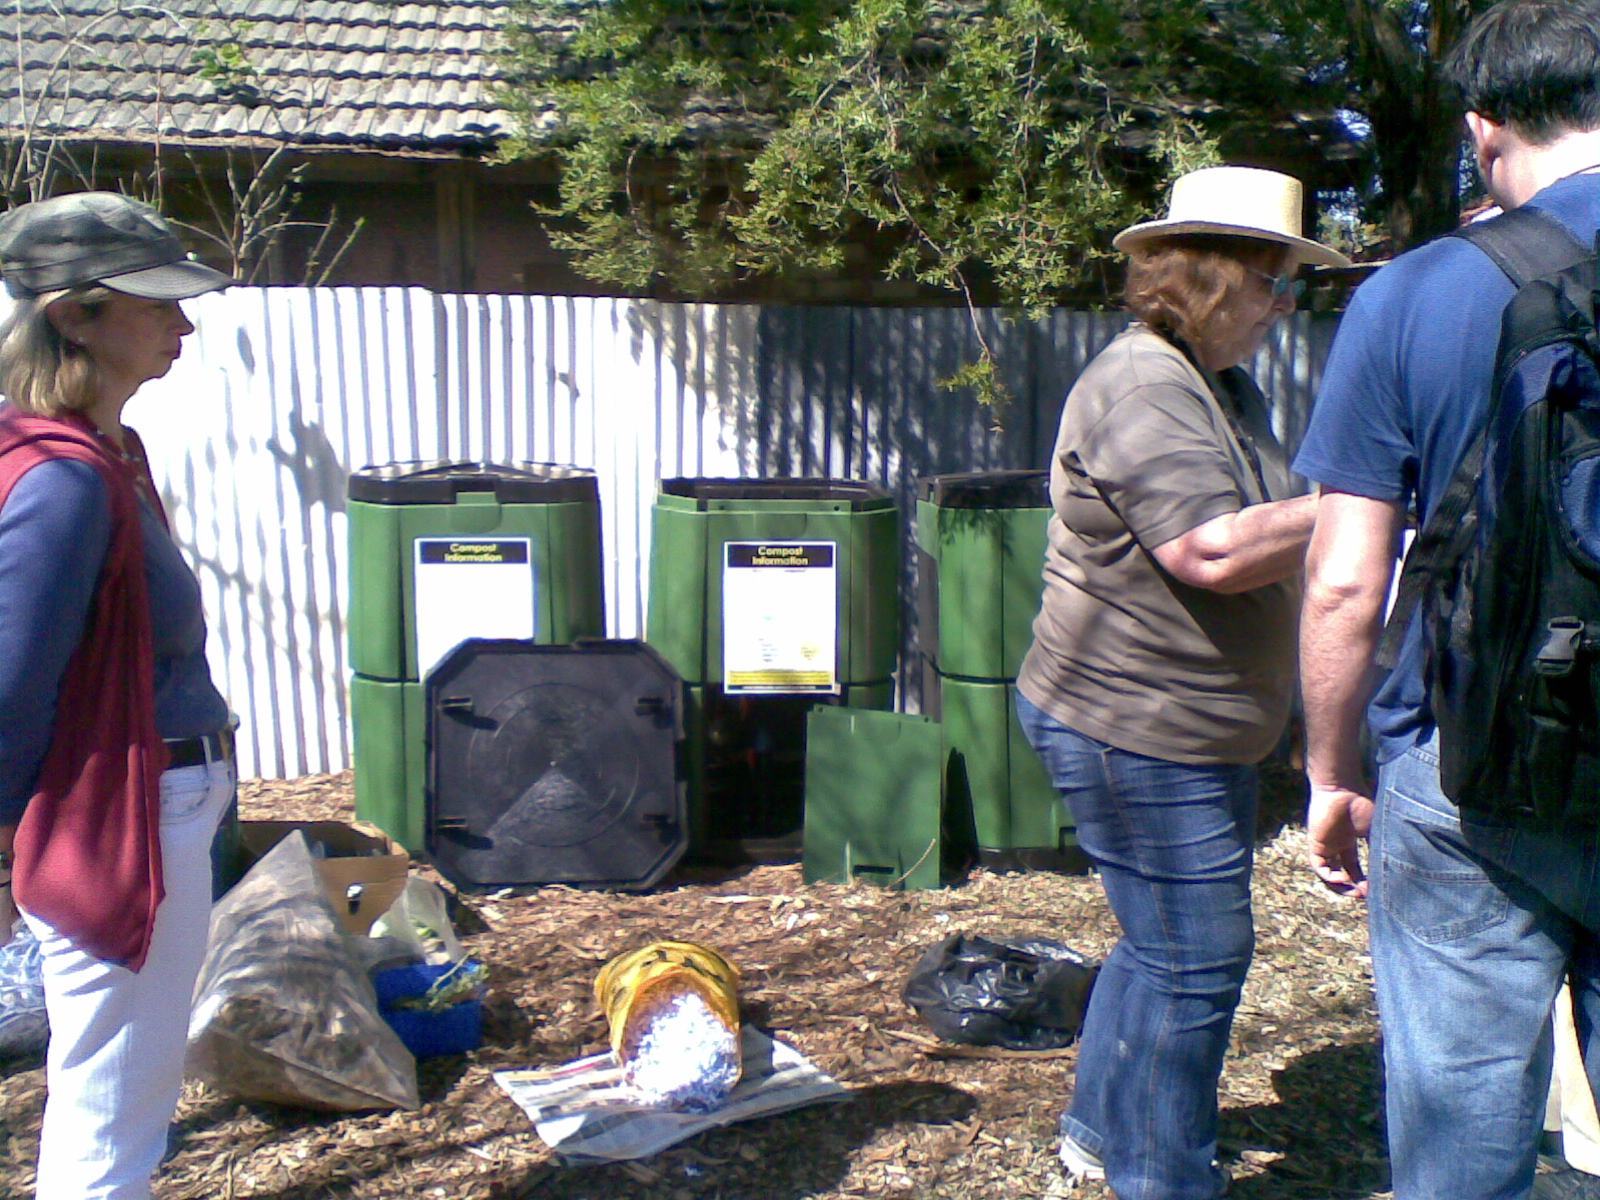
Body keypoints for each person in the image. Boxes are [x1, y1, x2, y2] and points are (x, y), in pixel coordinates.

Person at [1294, 1, 1600, 1195]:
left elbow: (1340, 579)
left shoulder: (1415, 292)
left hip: (1470, 771)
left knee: (1458, 1138)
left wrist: (1333, 773)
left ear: (1484, 129)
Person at [1015, 164, 1349, 1200]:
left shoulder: (1220, 385)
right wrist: (1366, 499)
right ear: (1208, 279)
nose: (1283, 304)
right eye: (1272, 282)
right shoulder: (1143, 386)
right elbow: (1209, 551)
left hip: (1181, 725)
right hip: (1133, 726)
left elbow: (1263, 532)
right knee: (1195, 959)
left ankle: (1098, 1132)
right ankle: (1162, 1180)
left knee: (1157, 944)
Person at [0, 192, 238, 1199]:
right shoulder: (67, 479)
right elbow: (10, 686)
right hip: (122, 826)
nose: (182, 324)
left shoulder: (104, 455)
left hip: (145, 811)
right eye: (156, 302)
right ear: (74, 316)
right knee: (113, 1119)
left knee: (112, 1093)